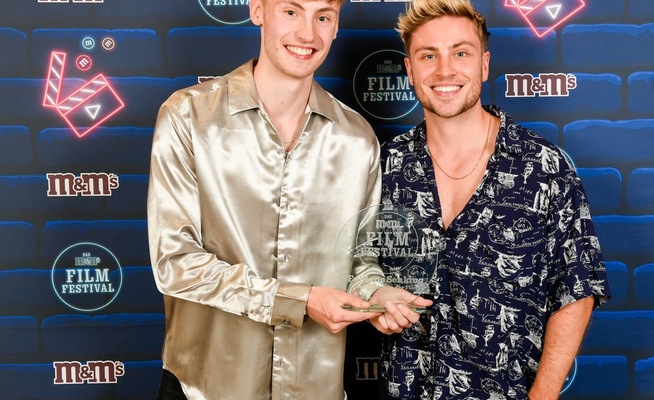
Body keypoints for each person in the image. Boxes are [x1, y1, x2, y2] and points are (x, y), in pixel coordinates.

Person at [147, 1, 430, 399]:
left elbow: (359, 263)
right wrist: (299, 300)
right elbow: (175, 262)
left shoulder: (357, 139)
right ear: (258, 10)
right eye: (292, 12)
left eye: (323, 17)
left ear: (336, 26)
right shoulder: (187, 117)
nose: (307, 34)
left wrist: (376, 295)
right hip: (204, 389)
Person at [379, 0, 611, 399]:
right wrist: (374, 296)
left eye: (461, 53)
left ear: (484, 65)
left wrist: (544, 394)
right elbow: (353, 263)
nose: (445, 70)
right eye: (428, 55)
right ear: (410, 70)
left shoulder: (542, 166)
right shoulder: (386, 166)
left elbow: (578, 287)